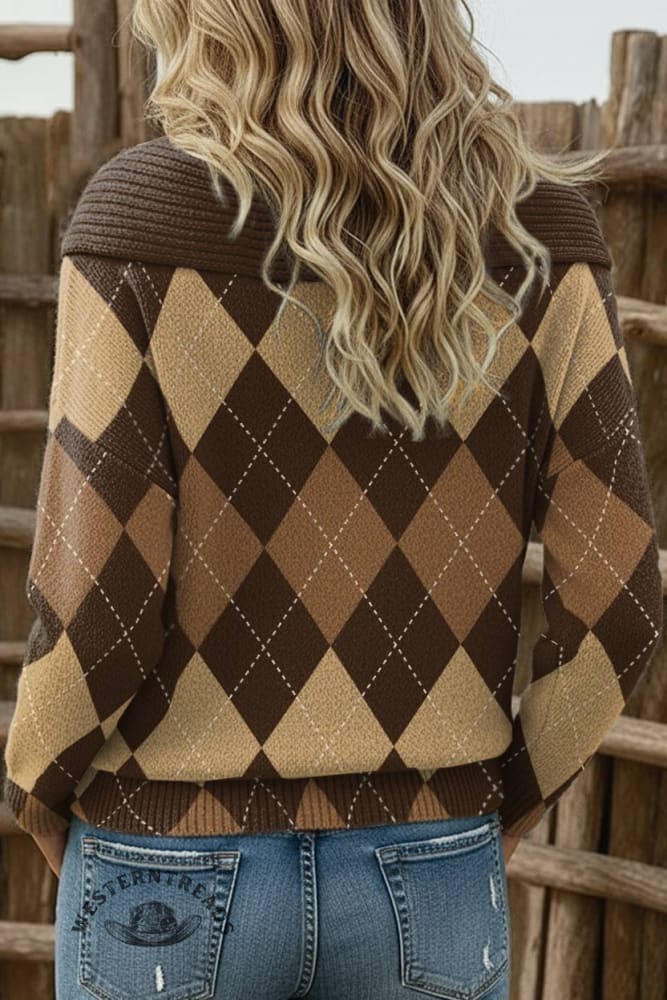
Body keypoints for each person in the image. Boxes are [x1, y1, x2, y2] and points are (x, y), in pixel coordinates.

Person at [3, 2, 663, 998]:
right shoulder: (544, 236)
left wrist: (38, 786)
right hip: (433, 859)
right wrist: (493, 804)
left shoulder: (137, 219)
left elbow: (98, 597)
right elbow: (620, 604)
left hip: (166, 857)